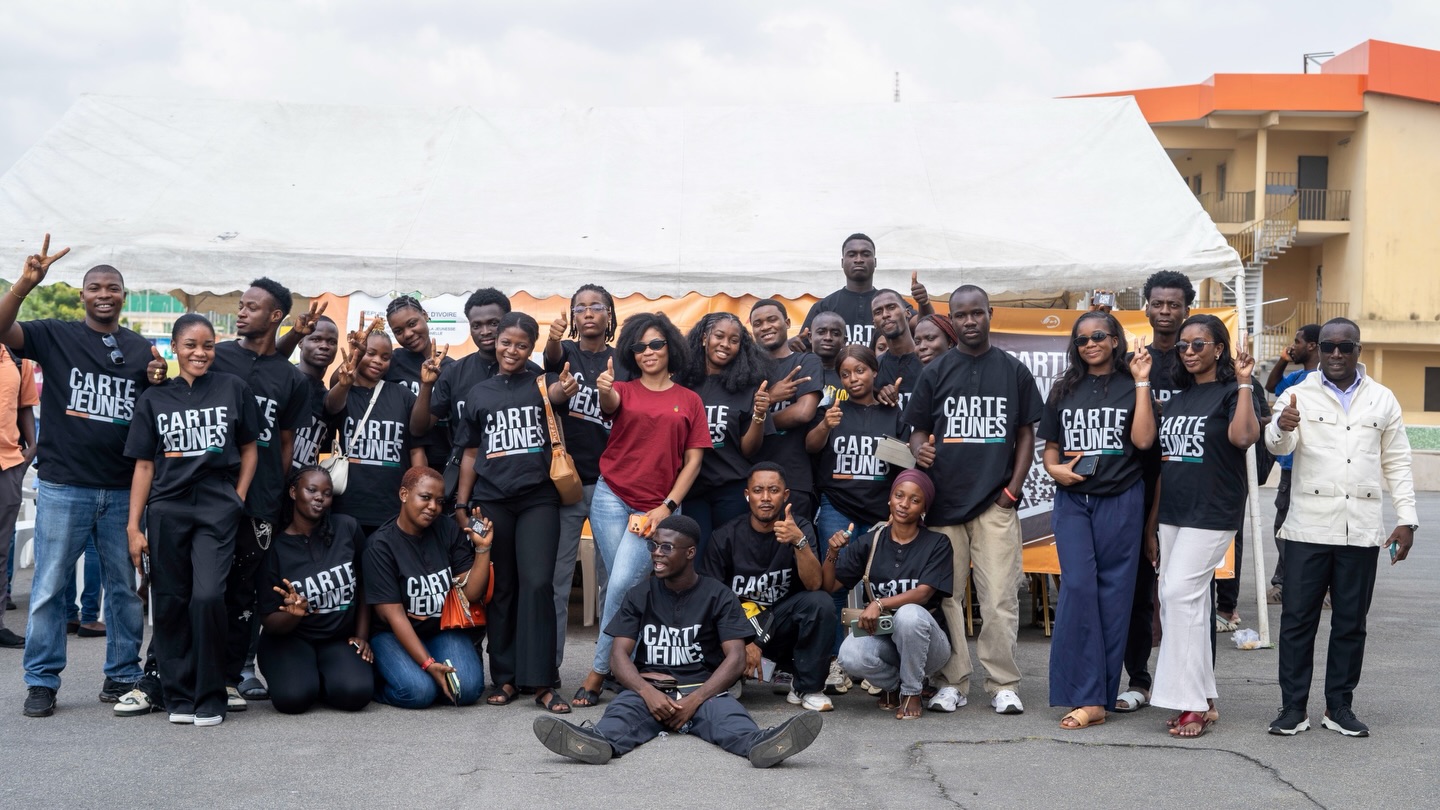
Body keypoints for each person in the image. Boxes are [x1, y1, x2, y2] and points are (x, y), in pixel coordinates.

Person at [1, 237, 167, 718]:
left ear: (123, 296)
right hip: (64, 485)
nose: (104, 294)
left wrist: (158, 376)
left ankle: (122, 675)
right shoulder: (55, 335)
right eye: (95, 287)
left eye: (112, 288)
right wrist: (25, 284)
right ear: (82, 295)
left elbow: (153, 409)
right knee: (49, 588)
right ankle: (41, 681)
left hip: (121, 490)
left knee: (123, 588)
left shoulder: (138, 349)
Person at [533, 515, 823, 767]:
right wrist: (646, 692)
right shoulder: (639, 594)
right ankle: (593, 742)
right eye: (654, 546)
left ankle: (763, 745)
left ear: (690, 552)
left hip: (703, 691)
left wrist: (696, 699)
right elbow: (618, 656)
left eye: (666, 547)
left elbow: (736, 658)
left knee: (734, 722)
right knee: (617, 718)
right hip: (649, 690)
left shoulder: (718, 595)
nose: (656, 554)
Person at [1266, 318, 1417, 738]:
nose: (1335, 354)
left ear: (1357, 350)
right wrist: (1281, 427)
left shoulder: (1382, 398)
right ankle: (1293, 708)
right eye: (1328, 346)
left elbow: (1397, 462)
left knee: (1351, 623)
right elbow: (1277, 446)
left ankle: (1339, 707)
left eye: (1345, 347)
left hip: (1361, 530)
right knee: (1297, 621)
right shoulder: (1297, 392)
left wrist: (1407, 519)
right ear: (1318, 350)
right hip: (1307, 529)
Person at [904, 284, 1041, 715]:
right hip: (943, 504)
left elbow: (1026, 434)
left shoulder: (1013, 370)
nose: (969, 321)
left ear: (989, 314)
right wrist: (919, 449)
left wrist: (1011, 491)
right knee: (947, 598)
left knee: (999, 596)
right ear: (952, 319)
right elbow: (917, 429)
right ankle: (953, 682)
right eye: (960, 315)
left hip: (995, 503)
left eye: (976, 313)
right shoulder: (935, 371)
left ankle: (1003, 683)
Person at [125, 313, 261, 727]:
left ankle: (211, 694)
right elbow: (144, 465)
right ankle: (178, 696)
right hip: (167, 507)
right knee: (170, 601)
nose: (200, 353)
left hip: (217, 506)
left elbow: (250, 449)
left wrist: (237, 498)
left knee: (207, 597)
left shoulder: (233, 388)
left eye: (208, 345)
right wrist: (134, 526)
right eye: (190, 345)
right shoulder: (154, 398)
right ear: (174, 348)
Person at [571, 312, 710, 708]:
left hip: (655, 508)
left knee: (620, 585)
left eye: (656, 344)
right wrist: (603, 389)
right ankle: (626, 665)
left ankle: (599, 671)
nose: (648, 351)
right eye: (639, 346)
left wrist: (667, 508)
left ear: (671, 347)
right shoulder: (621, 389)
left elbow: (693, 462)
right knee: (621, 585)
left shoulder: (689, 400)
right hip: (610, 496)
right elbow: (610, 403)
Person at [452, 312, 576, 712]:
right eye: (506, 342)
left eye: (522, 345)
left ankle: (541, 681)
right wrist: (461, 503)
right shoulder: (479, 392)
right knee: (501, 586)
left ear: (531, 348)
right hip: (491, 500)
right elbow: (470, 452)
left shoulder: (543, 382)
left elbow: (558, 394)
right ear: (496, 341)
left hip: (538, 498)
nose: (512, 350)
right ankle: (504, 677)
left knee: (537, 583)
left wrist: (565, 389)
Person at [1038, 312, 1156, 729]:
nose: (1090, 344)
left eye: (1099, 336)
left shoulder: (1133, 383)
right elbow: (1050, 448)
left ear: (1115, 339)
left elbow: (1144, 440)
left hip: (1121, 499)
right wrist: (1053, 469)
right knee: (1078, 588)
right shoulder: (1063, 388)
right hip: (1073, 499)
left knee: (1114, 597)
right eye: (1082, 339)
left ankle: (1097, 699)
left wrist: (1141, 381)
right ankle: (1087, 693)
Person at [1148, 314, 1259, 739]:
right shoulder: (1178, 399)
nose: (1189, 352)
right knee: (1183, 603)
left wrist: (1245, 382)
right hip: (1174, 513)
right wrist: (1153, 522)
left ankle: (1191, 703)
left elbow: (1243, 437)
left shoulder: (1235, 392)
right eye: (1183, 345)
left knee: (1178, 594)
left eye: (1199, 344)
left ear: (1219, 348)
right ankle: (1202, 699)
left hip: (1213, 512)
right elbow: (1166, 463)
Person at [212, 277, 312, 708]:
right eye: (241, 304)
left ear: (275, 316)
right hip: (210, 492)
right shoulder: (216, 357)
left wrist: (274, 491)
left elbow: (286, 443)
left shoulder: (292, 379)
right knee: (203, 587)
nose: (241, 311)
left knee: (244, 592)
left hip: (261, 502)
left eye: (252, 307)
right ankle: (187, 671)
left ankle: (231, 676)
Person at [1114, 269, 1192, 715]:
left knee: (1186, 596)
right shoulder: (1130, 361)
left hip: (1189, 491)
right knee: (1138, 592)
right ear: (1146, 307)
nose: (1165, 311)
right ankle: (1139, 678)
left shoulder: (1199, 359)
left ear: (1186, 309)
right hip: (1135, 486)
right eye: (1158, 303)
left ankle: (1190, 687)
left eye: (1173, 305)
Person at [700, 463, 835, 712]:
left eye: (773, 490)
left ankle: (807, 687)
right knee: (705, 614)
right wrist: (742, 643)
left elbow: (815, 584)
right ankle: (730, 674)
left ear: (785, 495)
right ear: (747, 495)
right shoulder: (725, 536)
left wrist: (799, 542)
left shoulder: (799, 528)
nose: (765, 497)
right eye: (758, 490)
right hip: (739, 626)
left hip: (780, 624)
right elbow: (712, 601)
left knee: (820, 603)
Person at [541, 285, 623, 683]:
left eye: (596, 306)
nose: (588, 313)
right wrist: (554, 338)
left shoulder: (623, 360)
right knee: (557, 580)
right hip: (568, 484)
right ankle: (548, 667)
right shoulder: (564, 353)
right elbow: (550, 359)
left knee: (615, 581)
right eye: (580, 308)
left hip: (613, 485)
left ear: (610, 315)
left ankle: (611, 668)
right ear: (572, 316)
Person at [826, 471, 954, 720]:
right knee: (849, 654)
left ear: (924, 508)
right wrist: (832, 553)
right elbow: (830, 586)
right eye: (899, 496)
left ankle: (912, 691)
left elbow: (923, 593)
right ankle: (893, 686)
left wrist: (878, 603)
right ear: (890, 499)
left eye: (914, 500)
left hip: (928, 646)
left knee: (908, 615)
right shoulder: (870, 542)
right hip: (884, 639)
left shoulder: (937, 543)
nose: (904, 504)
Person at [363, 467, 490, 709]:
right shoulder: (380, 546)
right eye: (425, 497)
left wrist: (483, 549)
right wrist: (429, 665)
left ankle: (431, 678)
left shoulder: (447, 529)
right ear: (404, 494)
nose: (433, 507)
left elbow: (471, 594)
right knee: (418, 692)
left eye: (439, 501)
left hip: (441, 628)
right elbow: (395, 616)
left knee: (467, 690)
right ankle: (380, 682)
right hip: (393, 635)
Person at [256, 466, 373, 714]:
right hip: (290, 639)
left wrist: (362, 635)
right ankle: (303, 676)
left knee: (356, 693)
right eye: (312, 490)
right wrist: (293, 614)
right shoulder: (276, 548)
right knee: (293, 699)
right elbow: (269, 620)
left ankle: (322, 677)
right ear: (293, 492)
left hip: (337, 638)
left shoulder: (347, 528)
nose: (320, 497)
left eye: (327, 493)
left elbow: (365, 585)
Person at [677, 312, 772, 548]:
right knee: (694, 555)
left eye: (734, 340)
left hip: (731, 488)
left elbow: (749, 450)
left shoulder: (748, 388)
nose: (725, 344)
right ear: (704, 338)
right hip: (690, 488)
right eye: (719, 336)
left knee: (728, 555)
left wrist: (759, 415)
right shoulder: (681, 383)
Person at [326, 324, 425, 536]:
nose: (378, 361)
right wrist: (347, 375)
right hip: (347, 506)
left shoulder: (403, 396)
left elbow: (416, 450)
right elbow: (330, 407)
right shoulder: (344, 392)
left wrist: (418, 493)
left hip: (392, 508)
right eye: (370, 353)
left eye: (385, 357)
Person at [1262, 324, 1320, 603]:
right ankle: (1284, 583)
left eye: (1297, 341)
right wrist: (1283, 360)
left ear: (1312, 345)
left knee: (1313, 530)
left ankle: (1308, 586)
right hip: (1289, 468)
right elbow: (1271, 386)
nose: (1292, 345)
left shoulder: (1325, 379)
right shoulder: (1296, 377)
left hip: (1314, 467)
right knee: (1283, 526)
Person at [749, 300, 822, 520]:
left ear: (788, 323)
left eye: (772, 319)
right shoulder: (747, 368)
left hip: (794, 477)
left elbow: (803, 412)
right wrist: (770, 398)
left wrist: (757, 421)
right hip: (751, 478)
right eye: (758, 323)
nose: (765, 327)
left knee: (793, 539)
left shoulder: (806, 361)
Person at [799, 234, 932, 348]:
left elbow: (925, 326)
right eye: (852, 255)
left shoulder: (889, 302)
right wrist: (791, 345)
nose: (859, 260)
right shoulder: (824, 307)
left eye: (865, 254)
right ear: (842, 262)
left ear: (875, 262)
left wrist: (924, 303)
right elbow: (803, 345)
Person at [383, 296, 454, 471]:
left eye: (412, 324)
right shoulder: (392, 362)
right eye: (398, 331)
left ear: (425, 315)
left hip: (442, 462)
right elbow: (341, 382)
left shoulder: (452, 368)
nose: (408, 334)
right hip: (398, 459)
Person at [0, 342, 37, 649]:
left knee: (1, 550)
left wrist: (32, 447)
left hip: (7, 463)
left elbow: (25, 405)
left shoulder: (17, 357)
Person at [291, 313, 338, 469]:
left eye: (332, 342)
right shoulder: (285, 378)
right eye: (316, 339)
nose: (324, 346)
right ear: (300, 342)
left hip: (303, 481)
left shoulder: (329, 399)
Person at [872, 289, 922, 411]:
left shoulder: (928, 360)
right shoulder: (874, 368)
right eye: (878, 312)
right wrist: (878, 394)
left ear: (907, 313)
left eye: (891, 307)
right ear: (874, 323)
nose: (885, 315)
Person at [810, 311, 848, 406]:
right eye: (821, 332)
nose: (828, 338)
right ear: (810, 337)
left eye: (835, 334)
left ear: (844, 341)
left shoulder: (851, 376)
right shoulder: (799, 372)